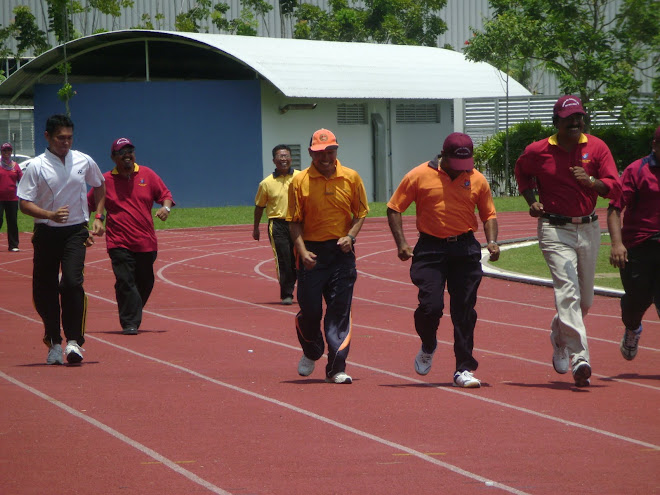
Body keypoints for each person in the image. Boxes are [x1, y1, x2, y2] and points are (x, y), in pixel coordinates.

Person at [514, 95, 620, 387]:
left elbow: (613, 187)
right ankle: (579, 357)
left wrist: (591, 182)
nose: (575, 122)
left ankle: (559, 337)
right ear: (556, 121)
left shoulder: (597, 147)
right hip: (554, 229)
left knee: (585, 300)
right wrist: (531, 200)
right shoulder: (538, 151)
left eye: (579, 117)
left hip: (588, 228)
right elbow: (522, 172)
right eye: (568, 118)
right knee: (567, 290)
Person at [387, 132, 499, 388]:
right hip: (430, 248)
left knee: (464, 311)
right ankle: (428, 344)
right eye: (457, 165)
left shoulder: (477, 179)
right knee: (431, 307)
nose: (463, 170)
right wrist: (401, 243)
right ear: (443, 155)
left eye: (466, 165)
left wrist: (492, 241)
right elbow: (394, 208)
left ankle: (464, 368)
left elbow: (489, 214)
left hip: (465, 248)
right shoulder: (418, 175)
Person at [17, 114, 106, 365]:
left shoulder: (83, 160)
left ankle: (75, 342)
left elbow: (99, 186)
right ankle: (54, 342)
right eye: (60, 138)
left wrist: (98, 216)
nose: (65, 142)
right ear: (47, 137)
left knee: (71, 282)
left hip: (75, 232)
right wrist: (49, 215)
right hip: (46, 232)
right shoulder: (36, 166)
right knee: (45, 289)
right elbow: (24, 203)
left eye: (69, 138)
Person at [287, 128, 369, 384]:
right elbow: (293, 222)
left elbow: (361, 213)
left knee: (339, 311)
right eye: (320, 152)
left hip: (341, 254)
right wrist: (302, 250)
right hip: (311, 253)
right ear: (311, 152)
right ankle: (312, 350)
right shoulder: (299, 181)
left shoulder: (351, 178)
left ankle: (336, 367)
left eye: (330, 151)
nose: (325, 157)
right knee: (310, 311)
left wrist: (351, 237)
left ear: (336, 151)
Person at [88, 137, 174, 335]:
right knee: (125, 280)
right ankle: (129, 323)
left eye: (130, 151)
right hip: (119, 241)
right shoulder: (105, 181)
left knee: (146, 281)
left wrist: (165, 209)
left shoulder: (147, 174)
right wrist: (93, 223)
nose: (127, 155)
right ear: (113, 157)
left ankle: (132, 311)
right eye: (122, 152)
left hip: (146, 241)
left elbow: (166, 196)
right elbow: (88, 204)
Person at [607, 125, 660, 361]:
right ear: (655, 145)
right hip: (639, 246)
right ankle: (632, 328)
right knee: (637, 301)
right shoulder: (636, 170)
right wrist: (617, 245)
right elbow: (615, 208)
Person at [253, 145, 299, 305]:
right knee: (284, 259)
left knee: (300, 258)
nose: (283, 159)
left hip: (298, 223)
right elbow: (259, 207)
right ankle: (287, 294)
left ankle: (306, 291)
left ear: (291, 158)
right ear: (274, 160)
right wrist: (256, 228)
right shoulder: (266, 183)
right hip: (278, 225)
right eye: (280, 157)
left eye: (286, 156)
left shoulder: (301, 177)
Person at [0, 142, 23, 251]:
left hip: (12, 199)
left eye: (8, 150)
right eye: (4, 150)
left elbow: (22, 181)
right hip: (0, 198)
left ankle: (13, 245)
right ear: (1, 152)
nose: (7, 153)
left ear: (11, 152)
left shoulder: (15, 166)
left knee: (12, 221)